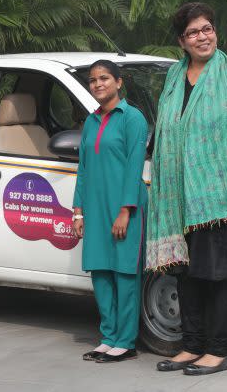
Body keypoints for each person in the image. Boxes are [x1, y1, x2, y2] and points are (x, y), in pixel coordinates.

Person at [146, 2, 227, 375]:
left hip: (216, 196)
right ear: (182, 40)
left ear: (215, 32)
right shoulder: (175, 79)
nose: (202, 36)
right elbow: (165, 130)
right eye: (193, 32)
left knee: (216, 273)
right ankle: (191, 345)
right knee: (185, 274)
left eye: (207, 28)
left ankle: (218, 349)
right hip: (178, 196)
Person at [72, 60, 148, 363]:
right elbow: (84, 168)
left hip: (123, 208)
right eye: (93, 80)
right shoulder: (90, 122)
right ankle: (108, 337)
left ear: (119, 82)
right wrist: (78, 211)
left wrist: (126, 210)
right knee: (101, 272)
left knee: (124, 273)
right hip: (95, 206)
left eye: (104, 78)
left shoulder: (133, 118)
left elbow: (134, 167)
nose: (98, 84)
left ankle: (126, 341)